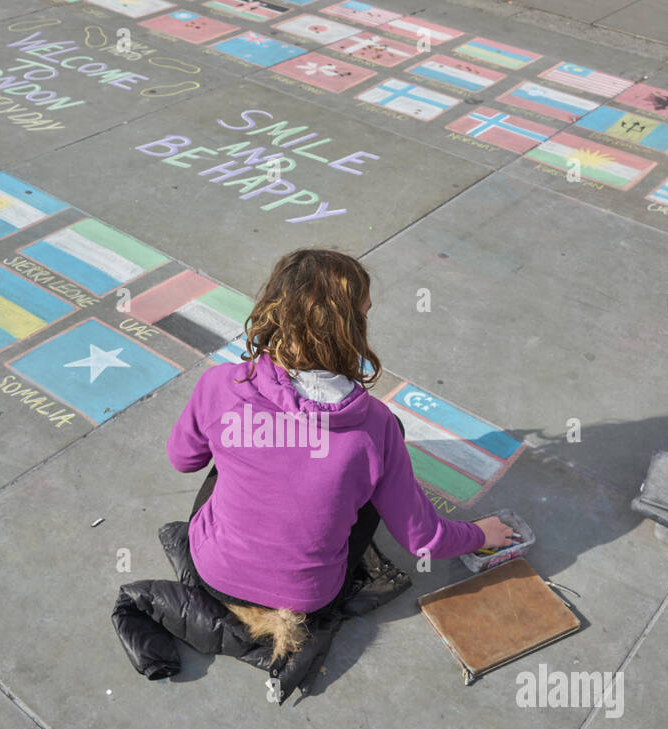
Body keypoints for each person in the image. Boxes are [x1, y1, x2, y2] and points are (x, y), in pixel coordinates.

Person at [167, 248, 516, 664]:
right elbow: (422, 539)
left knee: (225, 458)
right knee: (371, 472)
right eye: (365, 312)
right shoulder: (376, 426)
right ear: (352, 329)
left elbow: (184, 460)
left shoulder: (220, 384)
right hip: (307, 597)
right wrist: (480, 535)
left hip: (214, 574)